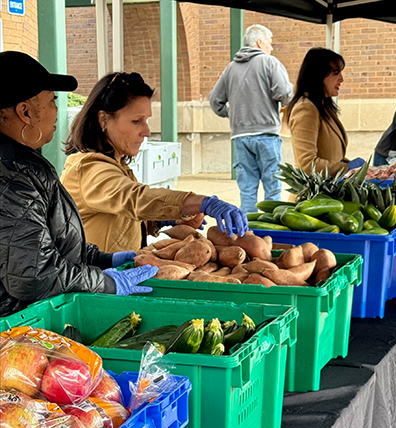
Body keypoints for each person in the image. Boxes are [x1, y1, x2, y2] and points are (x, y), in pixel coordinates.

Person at [0, 50, 161, 318]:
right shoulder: (12, 176)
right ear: (25, 112)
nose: (57, 110)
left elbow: (51, 244)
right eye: (52, 101)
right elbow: (34, 275)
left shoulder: (23, 163)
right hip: (16, 328)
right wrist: (107, 282)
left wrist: (102, 259)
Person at [61, 72, 248, 253]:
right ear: (104, 120)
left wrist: (166, 221)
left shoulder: (117, 164)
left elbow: (123, 218)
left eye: (146, 120)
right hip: (95, 280)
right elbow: (136, 199)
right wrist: (202, 203)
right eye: (136, 121)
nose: (146, 131)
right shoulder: (89, 169)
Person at [208, 24, 293, 214]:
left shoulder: (230, 69)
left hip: (240, 137)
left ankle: (248, 234)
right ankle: (270, 235)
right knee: (273, 190)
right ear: (260, 42)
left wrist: (233, 113)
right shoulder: (269, 63)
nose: (271, 48)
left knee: (247, 191)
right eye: (270, 43)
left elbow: (215, 101)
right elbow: (284, 94)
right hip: (267, 135)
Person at [286, 47, 365, 176]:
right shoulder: (306, 108)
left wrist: (360, 169)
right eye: (336, 73)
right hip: (314, 195)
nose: (341, 79)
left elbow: (332, 157)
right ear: (319, 75)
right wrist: (347, 168)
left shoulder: (323, 106)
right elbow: (307, 165)